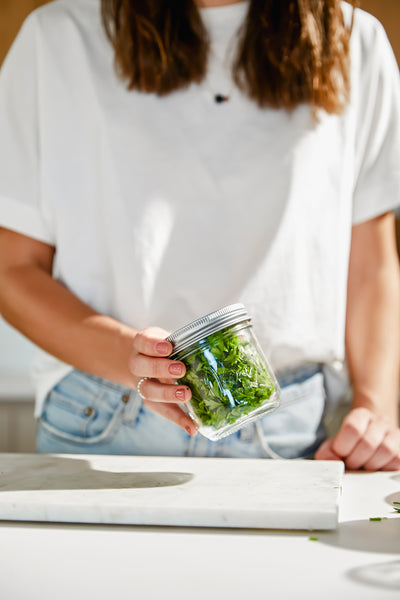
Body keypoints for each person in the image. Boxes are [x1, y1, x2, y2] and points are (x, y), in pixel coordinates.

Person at [0, 0, 399, 469]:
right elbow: (13, 267)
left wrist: (376, 406)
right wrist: (131, 359)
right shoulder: (57, 36)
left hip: (285, 427)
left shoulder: (355, 41)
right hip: (101, 421)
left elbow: (371, 263)